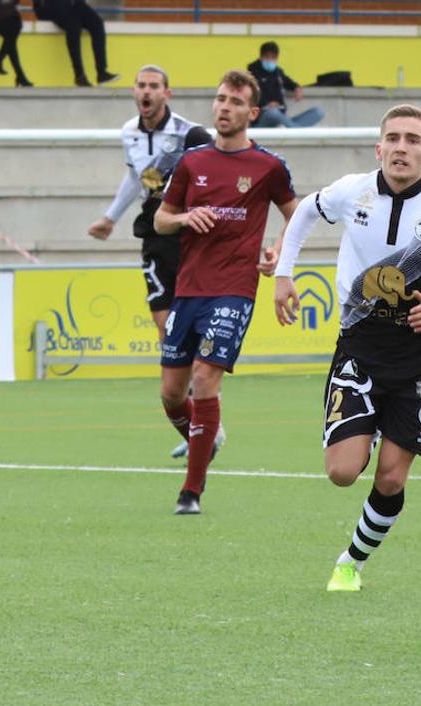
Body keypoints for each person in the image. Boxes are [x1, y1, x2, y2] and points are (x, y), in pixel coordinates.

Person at [274, 105, 421, 592]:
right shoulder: (351, 190)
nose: (401, 147)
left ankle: (351, 562)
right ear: (379, 148)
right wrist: (283, 274)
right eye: (393, 138)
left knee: (391, 480)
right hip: (361, 346)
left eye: (412, 140)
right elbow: (305, 212)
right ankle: (367, 428)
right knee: (342, 472)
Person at [153, 69, 297, 515]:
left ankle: (191, 492)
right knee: (171, 394)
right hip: (189, 288)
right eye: (220, 100)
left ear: (251, 113)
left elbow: (296, 214)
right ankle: (207, 438)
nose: (224, 108)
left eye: (235, 102)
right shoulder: (191, 162)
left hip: (235, 288)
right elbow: (161, 219)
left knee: (204, 378)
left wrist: (277, 252)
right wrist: (184, 218)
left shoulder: (268, 166)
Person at [86, 65, 223, 461]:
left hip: (189, 236)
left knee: (193, 328)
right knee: (166, 330)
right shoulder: (129, 132)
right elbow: (135, 179)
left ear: (167, 93)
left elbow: (215, 176)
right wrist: (110, 218)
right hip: (155, 233)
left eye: (154, 86)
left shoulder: (190, 134)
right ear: (134, 92)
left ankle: (207, 420)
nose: (146, 92)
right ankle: (202, 425)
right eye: (141, 86)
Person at [247, 41, 324, 128]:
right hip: (263, 118)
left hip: (281, 118)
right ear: (261, 57)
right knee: (273, 112)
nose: (270, 60)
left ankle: (291, 129)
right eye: (267, 57)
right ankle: (294, 130)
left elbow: (289, 82)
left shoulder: (278, 72)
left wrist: (297, 88)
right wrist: (266, 105)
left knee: (318, 112)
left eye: (273, 57)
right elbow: (253, 95)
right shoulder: (252, 73)